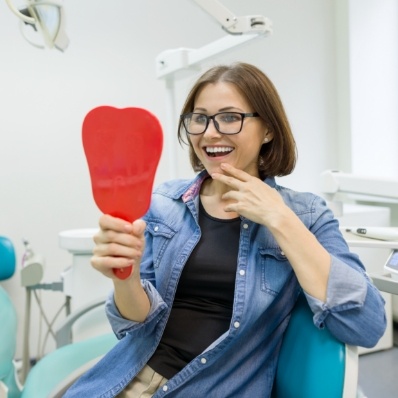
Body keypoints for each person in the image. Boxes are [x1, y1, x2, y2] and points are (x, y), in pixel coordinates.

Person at [65, 62, 386, 397]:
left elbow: (367, 324)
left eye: (230, 117)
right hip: (125, 380)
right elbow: (133, 326)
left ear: (268, 130)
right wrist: (125, 278)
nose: (210, 132)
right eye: (199, 118)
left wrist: (280, 218)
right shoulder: (162, 204)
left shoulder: (306, 215)